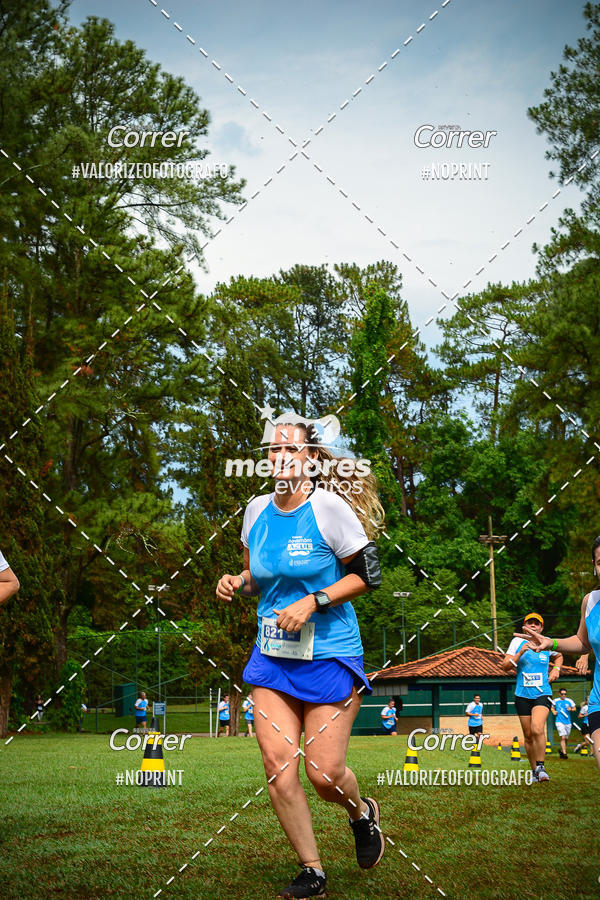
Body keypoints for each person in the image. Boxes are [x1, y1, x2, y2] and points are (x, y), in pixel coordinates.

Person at [216, 418, 385, 898]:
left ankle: (361, 812)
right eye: (272, 450)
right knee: (277, 764)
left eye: (289, 449)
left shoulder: (329, 509)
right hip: (272, 655)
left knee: (324, 773)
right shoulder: (254, 511)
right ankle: (312, 870)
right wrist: (236, 582)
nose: (279, 457)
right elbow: (258, 578)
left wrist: (315, 601)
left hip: (329, 653)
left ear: (311, 458)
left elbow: (367, 576)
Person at [519, 536, 600, 774]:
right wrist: (550, 642)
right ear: (594, 567)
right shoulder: (591, 601)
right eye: (599, 561)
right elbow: (582, 642)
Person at [502, 612, 563, 782]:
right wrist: (520, 652)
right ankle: (534, 770)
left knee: (537, 728)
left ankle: (542, 767)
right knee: (528, 735)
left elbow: (559, 655)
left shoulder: (546, 642)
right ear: (525, 626)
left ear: (541, 627)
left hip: (542, 692)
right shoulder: (516, 642)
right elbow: (505, 667)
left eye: (537, 624)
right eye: (530, 623)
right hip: (522, 694)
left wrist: (556, 670)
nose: (533, 626)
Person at [551, 688, 576, 759]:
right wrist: (553, 711)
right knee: (563, 737)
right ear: (559, 694)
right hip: (559, 721)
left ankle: (562, 750)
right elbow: (552, 708)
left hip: (568, 722)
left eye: (565, 694)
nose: (563, 695)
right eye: (562, 694)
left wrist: (571, 709)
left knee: (566, 738)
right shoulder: (556, 701)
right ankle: (564, 753)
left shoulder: (569, 701)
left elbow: (574, 708)